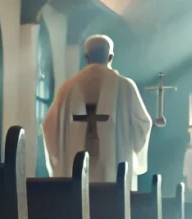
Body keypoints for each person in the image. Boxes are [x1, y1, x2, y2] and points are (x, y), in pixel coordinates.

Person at [42, 34, 152, 188]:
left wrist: (61, 156)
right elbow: (143, 124)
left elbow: (49, 126)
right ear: (111, 56)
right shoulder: (125, 86)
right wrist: (129, 146)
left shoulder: (67, 88)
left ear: (86, 57)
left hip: (74, 171)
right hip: (114, 172)